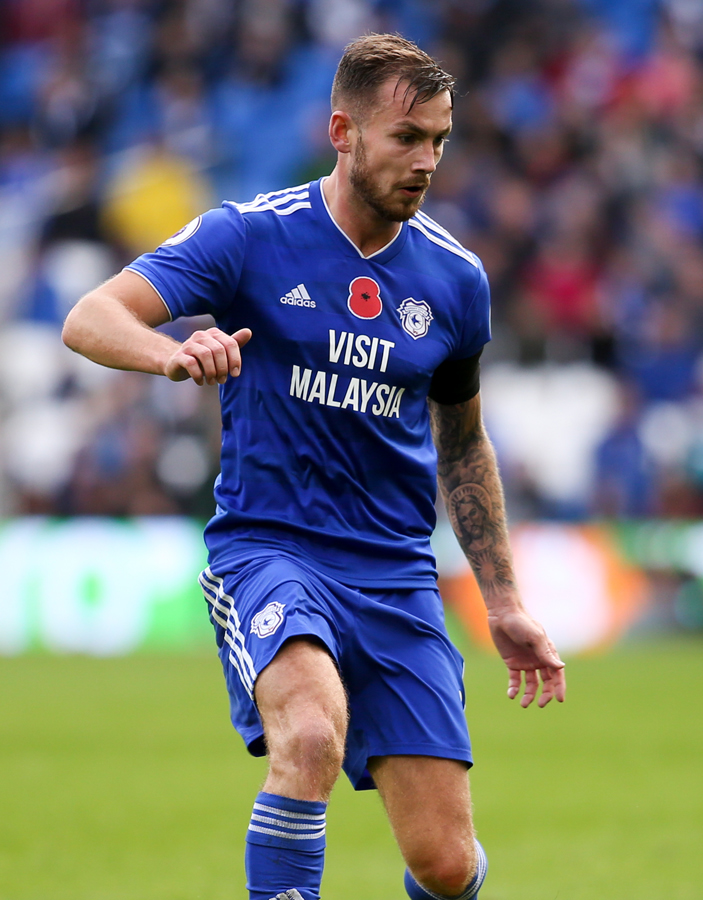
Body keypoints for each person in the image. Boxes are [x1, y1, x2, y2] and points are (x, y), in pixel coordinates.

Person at [61, 34, 566, 900]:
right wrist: (171, 355)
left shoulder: (455, 281)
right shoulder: (249, 237)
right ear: (343, 130)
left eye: (440, 141)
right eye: (408, 138)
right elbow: (90, 316)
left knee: (445, 866)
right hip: (271, 548)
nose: (427, 162)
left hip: (396, 572)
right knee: (308, 737)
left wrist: (506, 599)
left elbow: (462, 443)